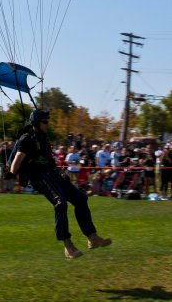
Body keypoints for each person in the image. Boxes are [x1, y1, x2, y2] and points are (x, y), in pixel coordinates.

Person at [9, 109, 112, 259]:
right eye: (45, 122)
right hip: (39, 177)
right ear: (36, 123)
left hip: (53, 174)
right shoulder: (26, 139)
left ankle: (92, 237)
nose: (47, 124)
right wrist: (22, 169)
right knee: (60, 203)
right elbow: (14, 166)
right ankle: (68, 246)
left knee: (81, 199)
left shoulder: (44, 137)